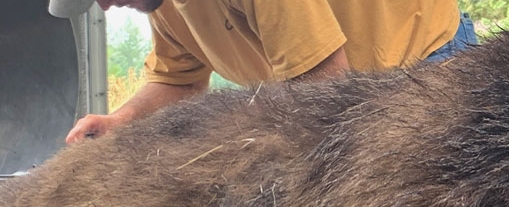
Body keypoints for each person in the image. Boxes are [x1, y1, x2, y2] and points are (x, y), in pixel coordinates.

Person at [49, 0, 479, 144]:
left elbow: (326, 96)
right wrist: (120, 122)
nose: (102, 7)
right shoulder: (160, 6)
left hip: (422, 66)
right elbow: (178, 79)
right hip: (344, 92)